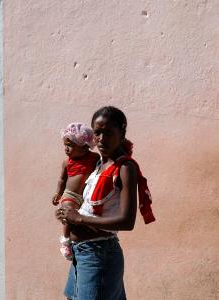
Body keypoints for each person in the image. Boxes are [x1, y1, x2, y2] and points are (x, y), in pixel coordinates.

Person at [55, 106, 155, 300]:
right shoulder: (99, 165)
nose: (101, 138)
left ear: (122, 132)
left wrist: (80, 219)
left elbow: (127, 221)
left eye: (108, 132)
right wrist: (67, 214)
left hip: (99, 255)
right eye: (97, 133)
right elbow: (90, 207)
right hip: (82, 253)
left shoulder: (124, 168)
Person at [53, 123, 100, 260]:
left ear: (84, 145)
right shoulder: (67, 162)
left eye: (70, 145)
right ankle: (66, 241)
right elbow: (62, 180)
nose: (66, 149)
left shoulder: (94, 158)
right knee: (68, 213)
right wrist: (58, 193)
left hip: (85, 197)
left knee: (80, 220)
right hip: (70, 195)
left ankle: (78, 242)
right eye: (65, 145)